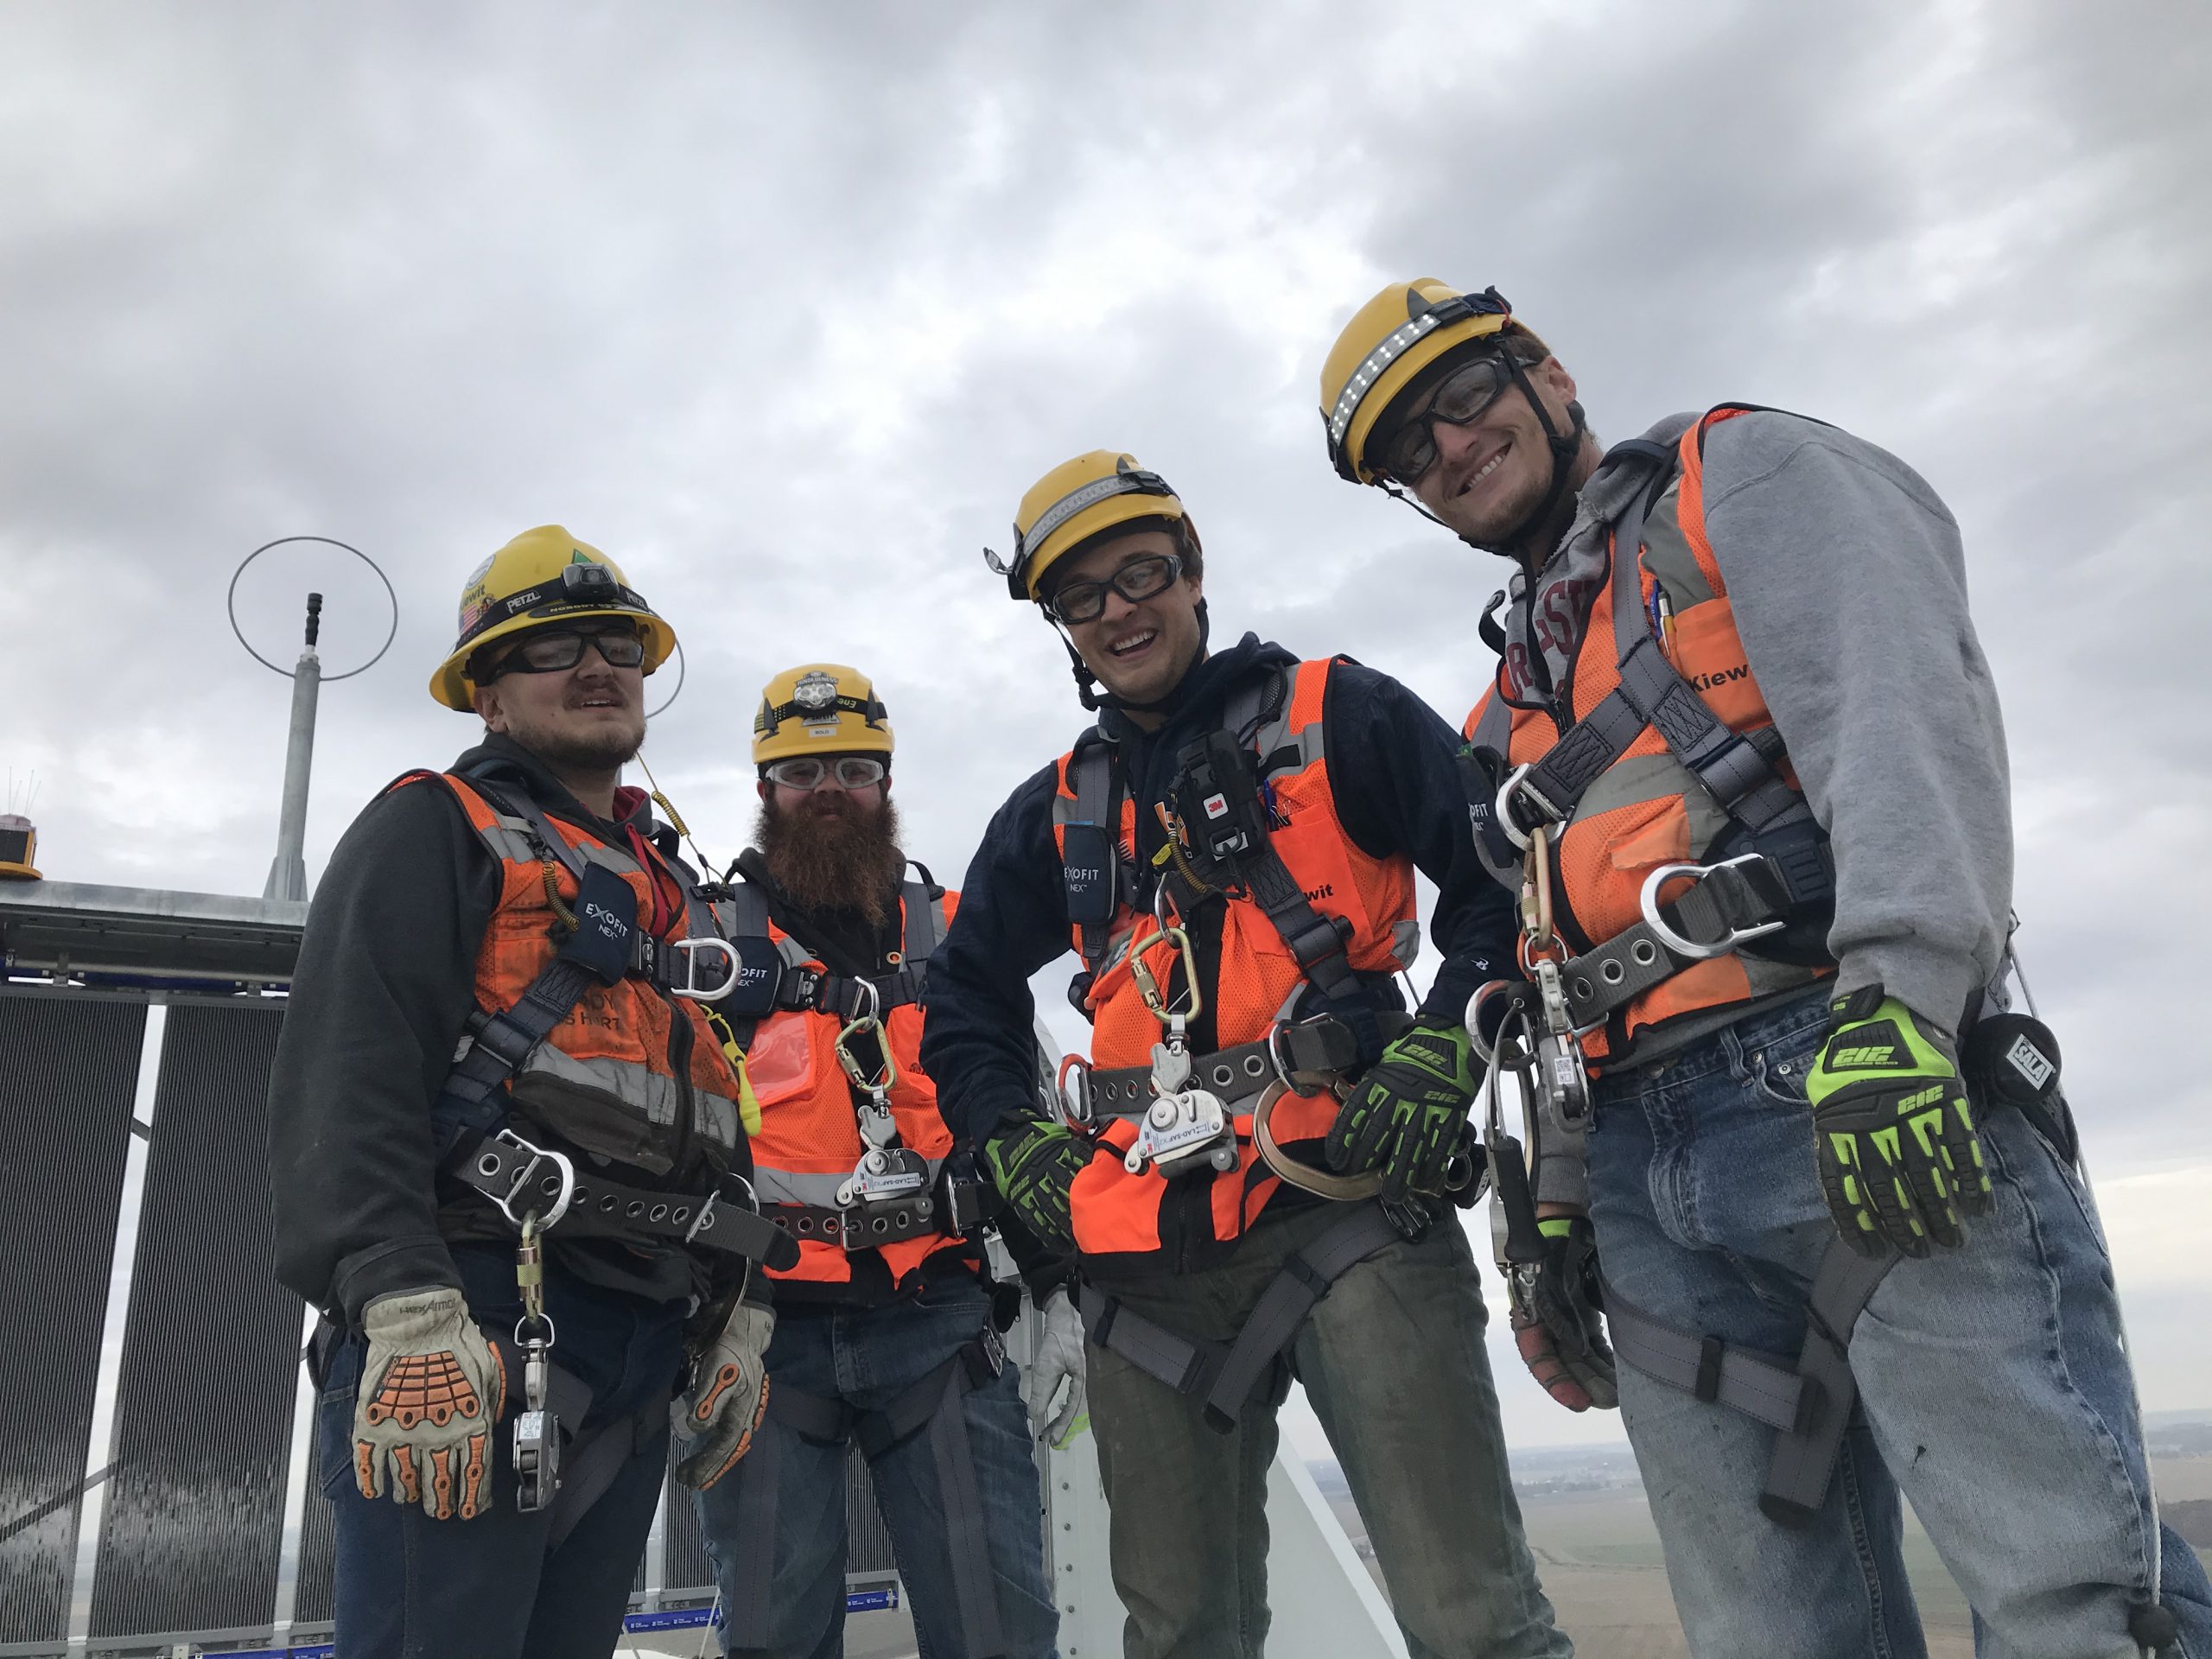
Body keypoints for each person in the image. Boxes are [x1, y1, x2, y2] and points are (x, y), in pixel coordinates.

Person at [1317, 279, 2212, 1658]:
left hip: (1847, 1081)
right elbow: (1542, 969)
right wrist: (1552, 1207)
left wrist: (1904, 1008)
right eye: (1404, 453)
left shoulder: (1744, 476)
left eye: (1459, 399)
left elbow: (1901, 714)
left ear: (1544, 371)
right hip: (1639, 1172)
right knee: (1772, 1632)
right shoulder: (1509, 706)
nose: (1445, 449)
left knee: (2068, 1596)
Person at [920, 452, 1572, 1659]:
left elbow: (1500, 875)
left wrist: (1448, 1048)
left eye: (1140, 574)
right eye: (1083, 598)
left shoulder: (1342, 713)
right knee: (1181, 1637)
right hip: (1142, 1257)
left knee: (1471, 1622)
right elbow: (958, 992)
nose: (1119, 610)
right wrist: (1005, 1136)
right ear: (1062, 629)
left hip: (1347, 1204)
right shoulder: (1055, 809)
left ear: (1192, 572)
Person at [267, 527, 793, 1659]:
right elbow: (350, 1067)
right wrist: (398, 1296)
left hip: (644, 1338)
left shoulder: (663, 893)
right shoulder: (435, 827)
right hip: (473, 1320)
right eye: (551, 648)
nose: (596, 665)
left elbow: (714, 1107)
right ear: (488, 697)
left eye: (616, 643)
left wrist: (737, 1304)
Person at [690, 662, 1062, 1659]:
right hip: (761, 1332)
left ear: (885, 785)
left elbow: (1013, 1111)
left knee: (1000, 1631)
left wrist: (1059, 1292)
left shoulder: (957, 937)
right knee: (770, 1637)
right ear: (764, 791)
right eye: (800, 773)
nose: (828, 792)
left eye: (853, 768)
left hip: (937, 1319)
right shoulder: (700, 947)